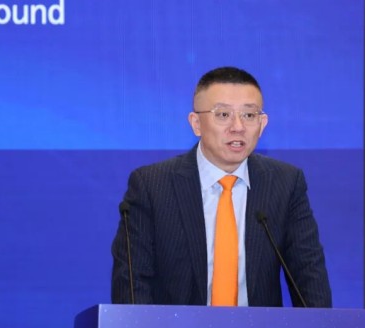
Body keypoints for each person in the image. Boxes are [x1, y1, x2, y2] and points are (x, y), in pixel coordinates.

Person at [111, 66, 331, 307]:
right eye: (223, 114)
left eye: (249, 115)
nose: (238, 127)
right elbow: (132, 281)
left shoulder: (285, 182)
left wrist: (320, 327)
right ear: (196, 123)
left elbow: (309, 275)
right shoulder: (152, 185)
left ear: (262, 124)